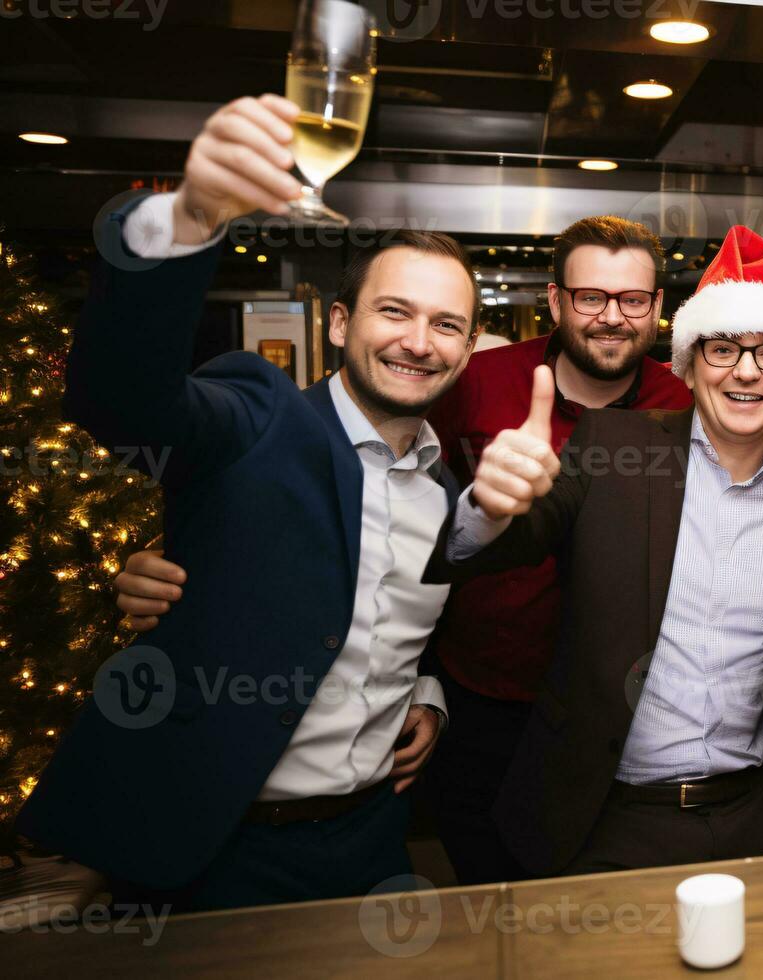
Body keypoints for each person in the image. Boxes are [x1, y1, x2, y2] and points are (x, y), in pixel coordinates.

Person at [116, 214, 696, 886]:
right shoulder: (459, 386)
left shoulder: (684, 405)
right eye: (591, 296)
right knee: (487, 894)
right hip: (476, 703)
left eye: (633, 299)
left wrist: (420, 687)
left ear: (657, 307)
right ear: (558, 300)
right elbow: (153, 415)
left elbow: (398, 556)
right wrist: (183, 546)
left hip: (605, 714)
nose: (611, 317)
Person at [17, 95, 468, 910]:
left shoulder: (446, 488)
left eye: (448, 324)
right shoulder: (256, 414)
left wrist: (426, 695)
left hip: (371, 840)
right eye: (394, 311)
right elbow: (123, 400)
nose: (419, 341)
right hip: (212, 846)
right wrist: (185, 222)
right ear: (339, 324)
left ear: (468, 348)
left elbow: (389, 622)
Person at [426, 225, 763, 875]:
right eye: (722, 348)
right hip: (608, 817)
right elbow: (486, 552)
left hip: (758, 812)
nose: (746, 371)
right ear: (689, 367)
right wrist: (489, 504)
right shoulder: (612, 446)